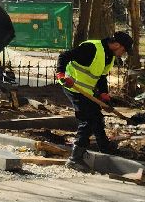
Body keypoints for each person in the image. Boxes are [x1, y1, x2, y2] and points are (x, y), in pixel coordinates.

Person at [56, 30, 133, 171]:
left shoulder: (109, 56)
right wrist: (61, 74)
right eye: (124, 50)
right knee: (88, 119)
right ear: (116, 44)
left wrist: (104, 95)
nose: (124, 53)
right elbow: (64, 56)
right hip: (72, 86)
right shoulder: (91, 48)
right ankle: (75, 158)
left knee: (96, 117)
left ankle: (105, 148)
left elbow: (101, 77)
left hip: (87, 90)